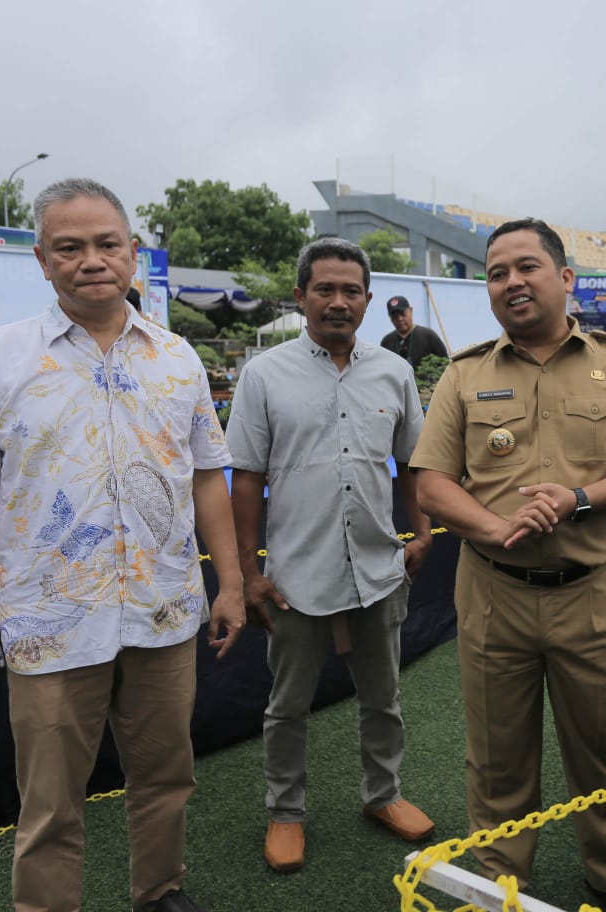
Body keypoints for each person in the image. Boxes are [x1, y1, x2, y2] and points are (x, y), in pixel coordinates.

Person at [0, 177, 246, 912]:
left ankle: (160, 891)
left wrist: (228, 582)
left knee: (167, 776)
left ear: (133, 254)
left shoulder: (178, 359)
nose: (91, 260)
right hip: (49, 620)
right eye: (70, 247)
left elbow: (205, 480)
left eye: (107, 244)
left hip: (164, 610)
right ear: (42, 260)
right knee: (50, 802)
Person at [411, 218, 606, 912]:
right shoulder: (465, 372)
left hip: (590, 591)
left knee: (601, 746)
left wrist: (578, 499)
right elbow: (432, 484)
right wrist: (497, 527)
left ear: (564, 278)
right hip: (494, 592)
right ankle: (500, 878)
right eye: (497, 273)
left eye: (526, 267)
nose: (511, 282)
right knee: (497, 753)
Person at [227, 238, 436, 874]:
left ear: (368, 301)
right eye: (325, 289)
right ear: (301, 297)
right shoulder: (265, 375)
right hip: (295, 575)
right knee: (287, 705)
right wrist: (248, 572)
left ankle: (383, 795)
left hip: (378, 568)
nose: (338, 302)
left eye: (351, 292)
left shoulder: (393, 372)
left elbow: (412, 464)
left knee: (383, 697)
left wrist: (421, 534)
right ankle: (286, 813)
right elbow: (244, 477)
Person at [380, 295, 448, 373]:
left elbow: (445, 364)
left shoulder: (428, 336)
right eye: (395, 316)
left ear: (411, 310)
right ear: (390, 318)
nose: (400, 319)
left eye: (402, 314)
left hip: (428, 385)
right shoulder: (387, 342)